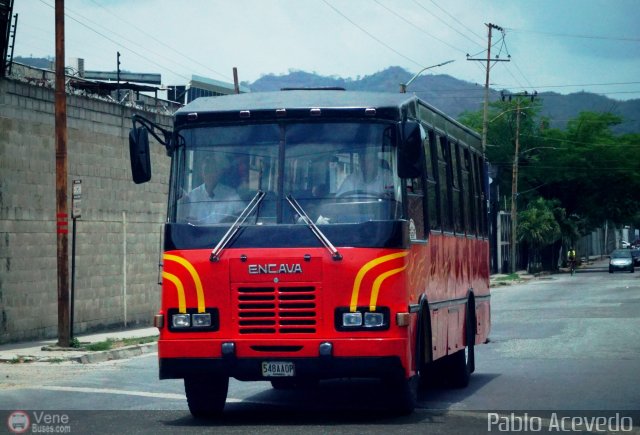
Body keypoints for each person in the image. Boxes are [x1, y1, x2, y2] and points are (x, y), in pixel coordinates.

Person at [178, 154, 242, 224]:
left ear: (218, 173)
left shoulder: (231, 194)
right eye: (206, 171)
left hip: (228, 234)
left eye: (213, 170)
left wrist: (230, 219)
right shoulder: (192, 196)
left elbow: (242, 215)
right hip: (198, 234)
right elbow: (185, 221)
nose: (210, 174)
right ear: (202, 174)